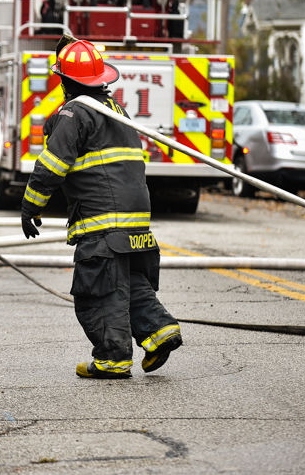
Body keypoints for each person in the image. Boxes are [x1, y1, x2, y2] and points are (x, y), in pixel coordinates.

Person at [20, 36, 182, 379]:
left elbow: (51, 165)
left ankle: (113, 359)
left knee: (98, 290)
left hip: (103, 221)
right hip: (137, 220)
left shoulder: (72, 114)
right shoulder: (117, 110)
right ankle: (159, 331)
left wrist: (30, 206)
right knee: (127, 280)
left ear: (65, 81)